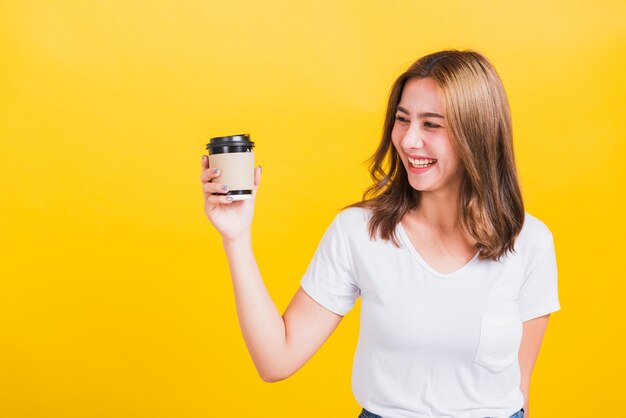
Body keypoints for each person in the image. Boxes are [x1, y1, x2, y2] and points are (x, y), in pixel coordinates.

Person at [199, 50, 560, 418]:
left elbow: (518, 389)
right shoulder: (360, 233)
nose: (408, 141)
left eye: (431, 124)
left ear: (477, 133)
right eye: (403, 120)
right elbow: (276, 359)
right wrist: (236, 237)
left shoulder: (530, 242)